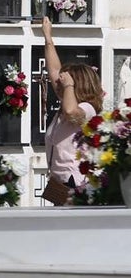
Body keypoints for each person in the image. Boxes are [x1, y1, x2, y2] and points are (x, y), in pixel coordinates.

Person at [41, 16, 103, 198]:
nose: (60, 84)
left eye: (67, 81)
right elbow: (54, 72)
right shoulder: (67, 100)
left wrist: (69, 85)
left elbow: (71, 112)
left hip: (76, 185)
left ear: (78, 84)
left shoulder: (88, 108)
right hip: (59, 183)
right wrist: (48, 38)